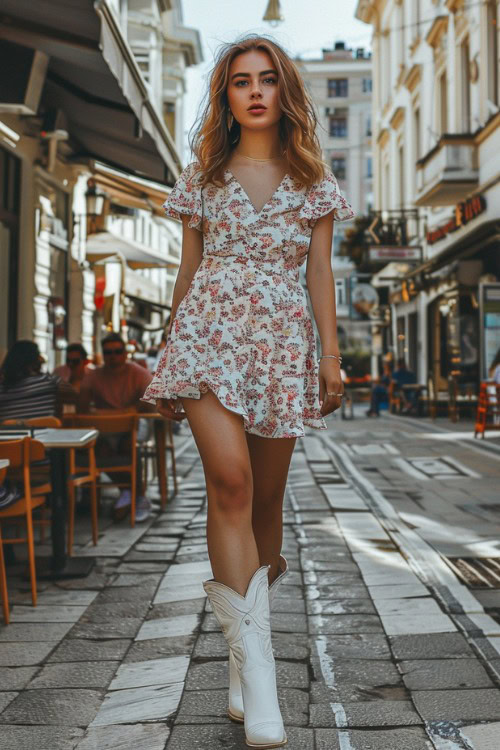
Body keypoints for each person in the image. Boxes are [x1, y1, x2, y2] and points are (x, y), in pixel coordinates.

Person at [141, 35, 354, 747]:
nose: (255, 91)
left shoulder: (316, 181)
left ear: (284, 91)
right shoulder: (202, 177)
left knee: (265, 504)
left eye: (267, 80)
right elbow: (188, 270)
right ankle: (258, 671)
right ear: (226, 96)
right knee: (228, 486)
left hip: (280, 344)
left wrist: (330, 354)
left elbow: (319, 274)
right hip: (208, 336)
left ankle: (241, 649)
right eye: (240, 81)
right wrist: (169, 354)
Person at [79, 333, 154, 523]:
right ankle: (133, 493)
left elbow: (151, 402)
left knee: (129, 446)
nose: (113, 356)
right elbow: (82, 407)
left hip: (131, 427)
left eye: (117, 351)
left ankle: (131, 494)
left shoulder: (137, 373)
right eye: (108, 352)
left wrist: (132, 409)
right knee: (98, 450)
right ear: (103, 354)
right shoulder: (94, 375)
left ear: (125, 353)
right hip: (102, 430)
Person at [0, 340, 76, 421]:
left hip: (10, 432)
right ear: (35, 361)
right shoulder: (49, 381)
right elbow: (74, 396)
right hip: (44, 431)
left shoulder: (2, 387)